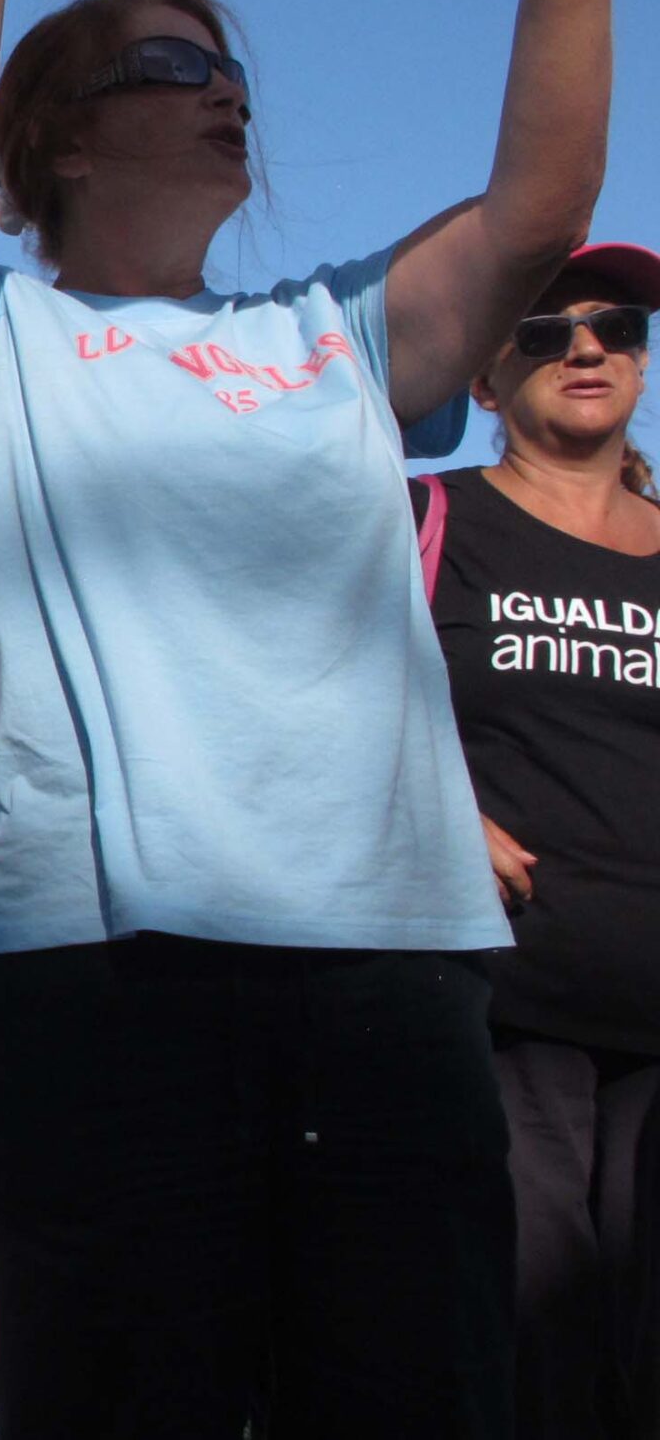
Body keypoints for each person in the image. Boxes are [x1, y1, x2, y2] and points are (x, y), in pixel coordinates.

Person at [0, 0, 614, 1433]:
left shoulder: (333, 338)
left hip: (393, 966)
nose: (223, 91)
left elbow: (543, 204)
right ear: (51, 131)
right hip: (93, 971)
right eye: (165, 61)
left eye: (231, 75)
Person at [417, 242, 660, 1440]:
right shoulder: (424, 518)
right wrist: (431, 802)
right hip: (501, 998)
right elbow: (299, 699)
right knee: (534, 1332)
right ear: (480, 373)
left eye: (618, 325)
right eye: (543, 329)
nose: (586, 346)